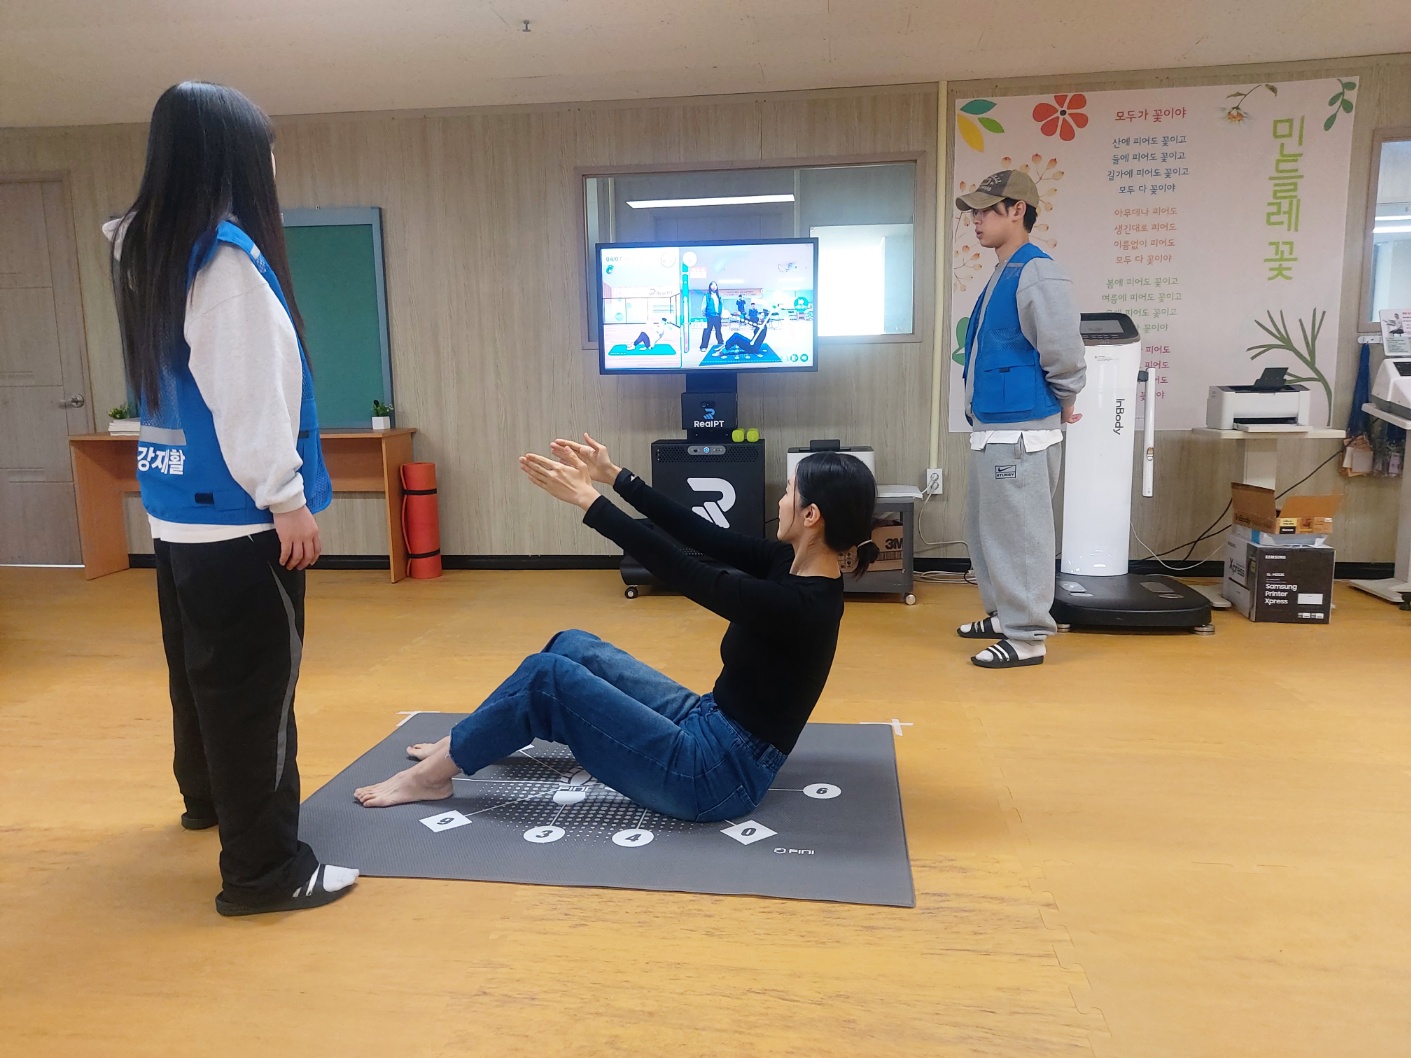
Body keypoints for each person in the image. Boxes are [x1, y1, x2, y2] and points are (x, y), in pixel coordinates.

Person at [107, 81, 357, 916]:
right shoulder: (224, 261)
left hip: (177, 510)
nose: (273, 167)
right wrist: (287, 499)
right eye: (267, 152)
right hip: (241, 519)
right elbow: (248, 397)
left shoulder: (143, 247)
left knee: (202, 676)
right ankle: (264, 871)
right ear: (234, 159)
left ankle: (209, 801)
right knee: (255, 695)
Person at [354, 437, 878, 822]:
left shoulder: (802, 605)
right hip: (708, 721)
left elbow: (688, 573)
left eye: (788, 493)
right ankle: (463, 740)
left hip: (714, 776)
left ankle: (432, 779)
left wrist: (589, 502)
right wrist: (615, 477)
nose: (781, 501)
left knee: (547, 678)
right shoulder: (789, 564)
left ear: (811, 515)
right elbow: (699, 534)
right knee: (572, 645)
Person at [955, 170, 1086, 669]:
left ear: (1017, 211)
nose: (976, 221)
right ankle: (1004, 615)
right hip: (994, 426)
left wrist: (1067, 398)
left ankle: (1028, 635)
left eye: (986, 211)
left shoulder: (1037, 271)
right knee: (988, 528)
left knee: (1020, 533)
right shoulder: (1003, 271)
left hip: (1023, 431)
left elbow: (1062, 348)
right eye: (974, 212)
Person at [699, 281, 724, 350]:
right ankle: (703, 346)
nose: (714, 286)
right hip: (710, 316)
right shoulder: (707, 296)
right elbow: (704, 305)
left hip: (717, 316)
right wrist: (704, 313)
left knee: (718, 331)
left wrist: (721, 314)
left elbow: (721, 306)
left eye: (715, 285)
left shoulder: (719, 296)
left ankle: (720, 343)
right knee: (707, 331)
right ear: (710, 287)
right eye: (712, 285)